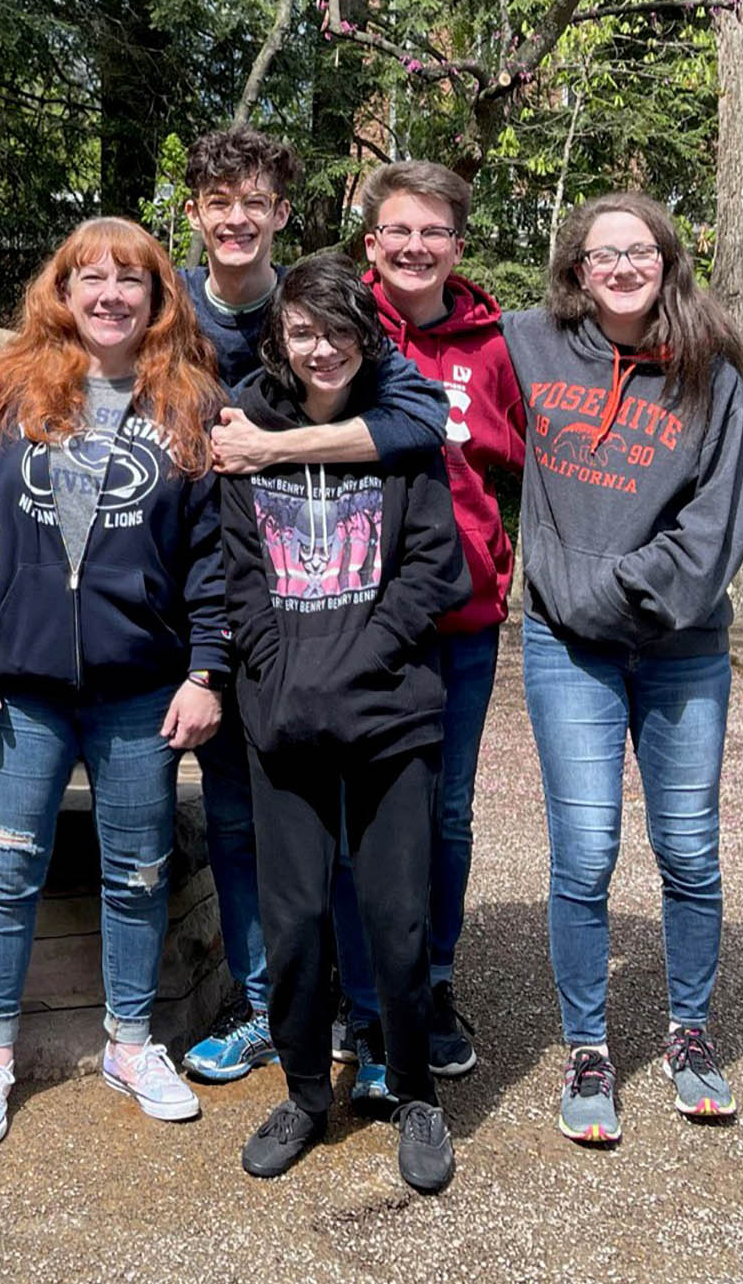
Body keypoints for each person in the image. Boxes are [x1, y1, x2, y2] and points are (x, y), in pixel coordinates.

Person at [0, 126, 450, 1087]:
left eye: (255, 201)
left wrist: (271, 451)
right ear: (196, 216)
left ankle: (367, 1017)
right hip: (212, 643)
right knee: (239, 827)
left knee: (355, 837)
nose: (237, 218)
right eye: (220, 202)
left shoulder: (310, 305)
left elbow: (418, 415)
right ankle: (270, 1006)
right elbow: (3, 445)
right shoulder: (138, 303)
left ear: (282, 215)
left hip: (302, 635)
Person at [0, 216, 230, 1146]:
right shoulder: (6, 393)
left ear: (156, 295)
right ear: (61, 293)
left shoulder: (193, 405)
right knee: (8, 867)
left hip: (143, 688)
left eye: (129, 279)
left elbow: (216, 554)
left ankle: (131, 1041)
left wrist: (207, 668)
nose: (109, 295)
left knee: (138, 872)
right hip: (21, 686)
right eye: (89, 278)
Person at [502, 192, 743, 1144]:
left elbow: (714, 529)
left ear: (667, 260)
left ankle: (689, 1034)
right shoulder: (529, 343)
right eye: (602, 253)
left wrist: (604, 589)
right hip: (566, 649)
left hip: (681, 647)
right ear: (575, 267)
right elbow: (406, 348)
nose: (620, 266)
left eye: (638, 250)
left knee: (687, 846)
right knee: (586, 850)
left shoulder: (711, 372)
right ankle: (589, 1047)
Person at [220, 252, 470, 1194]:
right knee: (292, 922)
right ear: (281, 339)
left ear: (367, 339)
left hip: (391, 715)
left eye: (339, 332)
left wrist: (356, 665)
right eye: (303, 331)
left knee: (397, 918)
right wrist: (282, 679)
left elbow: (432, 572)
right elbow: (237, 571)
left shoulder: (400, 443)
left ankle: (413, 1093)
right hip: (280, 715)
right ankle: (301, 1092)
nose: (322, 349)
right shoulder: (245, 434)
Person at [324, 161, 528, 1095]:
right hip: (349, 612)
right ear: (371, 240)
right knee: (348, 806)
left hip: (461, 617)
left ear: (457, 242)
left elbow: (546, 453)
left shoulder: (498, 346)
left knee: (446, 807)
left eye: (433, 231)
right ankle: (356, 987)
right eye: (397, 230)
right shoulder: (335, 326)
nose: (414, 247)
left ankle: (433, 981)